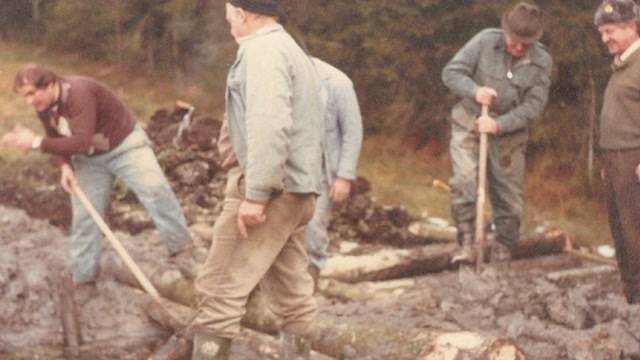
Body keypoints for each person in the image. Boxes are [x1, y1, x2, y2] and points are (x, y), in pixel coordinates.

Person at [152, 1, 324, 359]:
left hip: (270, 192)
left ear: (242, 12)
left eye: (228, 9)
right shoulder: (289, 48)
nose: (226, 17)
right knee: (292, 295)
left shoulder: (262, 51)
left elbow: (270, 123)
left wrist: (257, 194)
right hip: (296, 193)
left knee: (218, 291)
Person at [2, 64, 193, 297]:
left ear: (51, 84)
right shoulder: (44, 106)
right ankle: (84, 278)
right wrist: (64, 166)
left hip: (125, 145)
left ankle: (182, 249)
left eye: (32, 93)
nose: (29, 101)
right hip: (89, 158)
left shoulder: (79, 93)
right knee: (84, 216)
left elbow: (79, 141)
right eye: (25, 96)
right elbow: (55, 138)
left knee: (155, 190)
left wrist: (34, 143)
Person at [441, 1, 552, 264]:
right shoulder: (483, 41)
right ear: (505, 31)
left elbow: (534, 106)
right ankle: (467, 241)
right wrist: (474, 91)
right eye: (514, 41)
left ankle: (504, 247)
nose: (518, 47)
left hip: (509, 136)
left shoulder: (542, 60)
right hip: (469, 122)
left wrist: (499, 125)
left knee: (508, 195)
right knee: (464, 183)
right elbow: (452, 73)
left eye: (525, 44)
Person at [594, 0, 640, 304]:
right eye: (601, 32)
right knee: (620, 231)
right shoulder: (623, 63)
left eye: (609, 31)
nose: (604, 38)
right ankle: (632, 298)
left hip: (633, 159)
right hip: (614, 159)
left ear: (632, 27)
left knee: (635, 231)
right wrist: (606, 161)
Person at [304, 57, 363, 283]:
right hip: (288, 169)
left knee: (313, 228)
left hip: (321, 171)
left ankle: (311, 281)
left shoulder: (337, 83)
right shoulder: (280, 77)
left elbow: (352, 132)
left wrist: (344, 176)